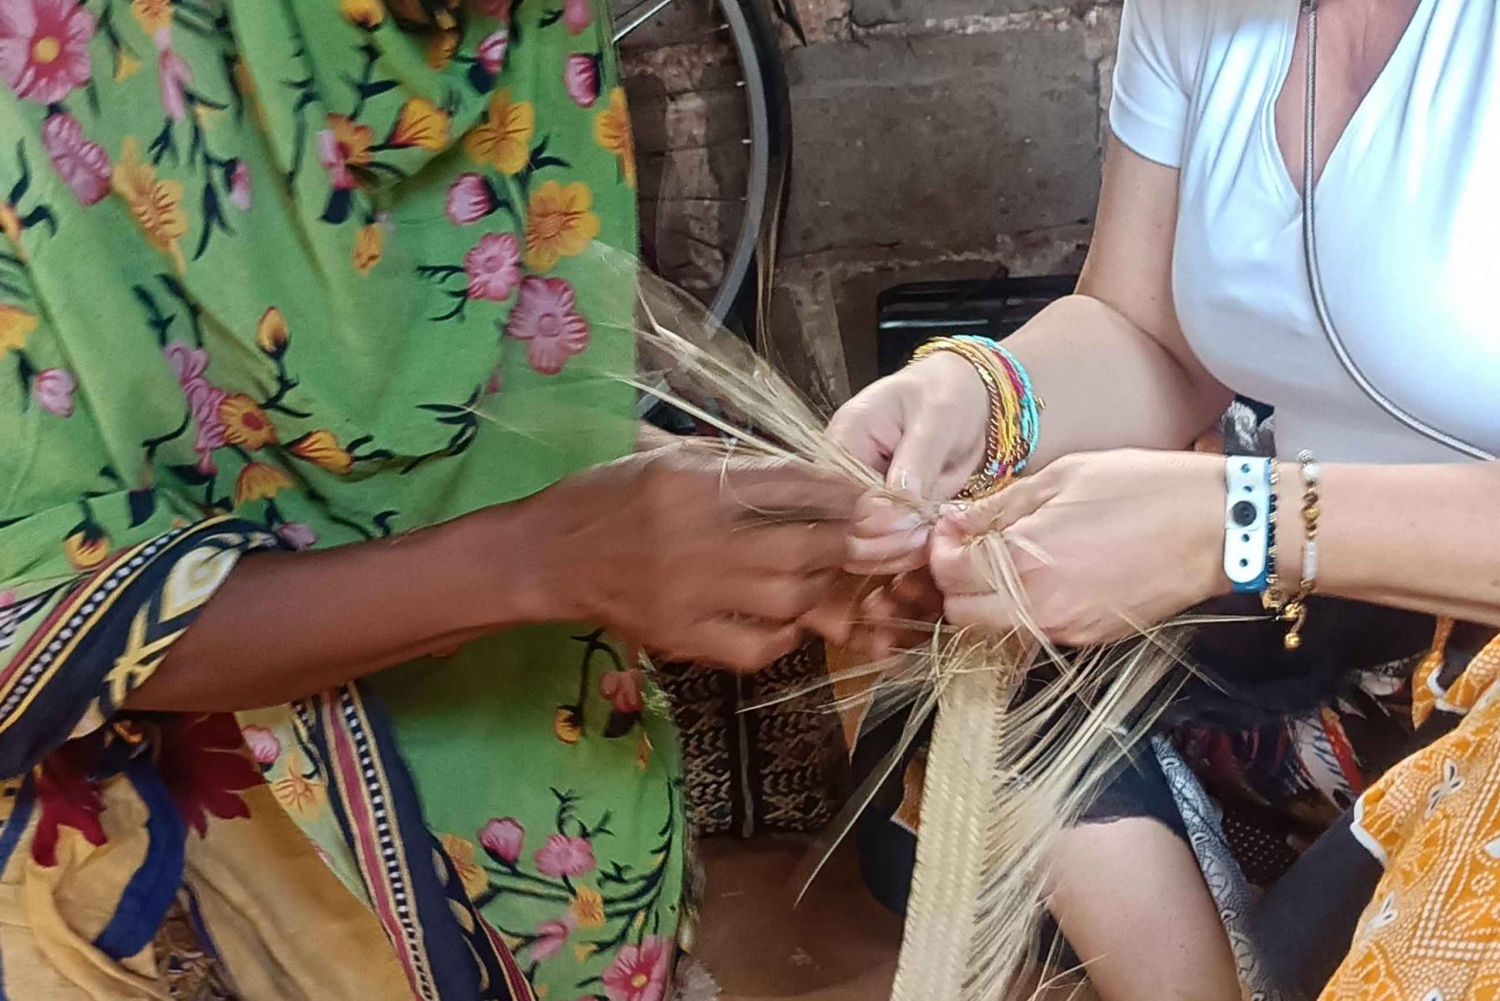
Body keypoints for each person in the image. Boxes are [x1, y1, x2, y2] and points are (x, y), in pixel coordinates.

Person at [0, 1, 858, 998]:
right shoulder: (47, 62)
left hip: (555, 840)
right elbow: (35, 616)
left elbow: (415, 426)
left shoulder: (519, 26)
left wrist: (707, 523)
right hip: (206, 891)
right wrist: (548, 556)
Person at [829, 0, 1500, 997]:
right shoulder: (1194, 11)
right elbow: (1144, 330)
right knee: (987, 663)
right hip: (1333, 592)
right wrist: (976, 394)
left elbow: (1240, 519)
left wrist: (1236, 523)